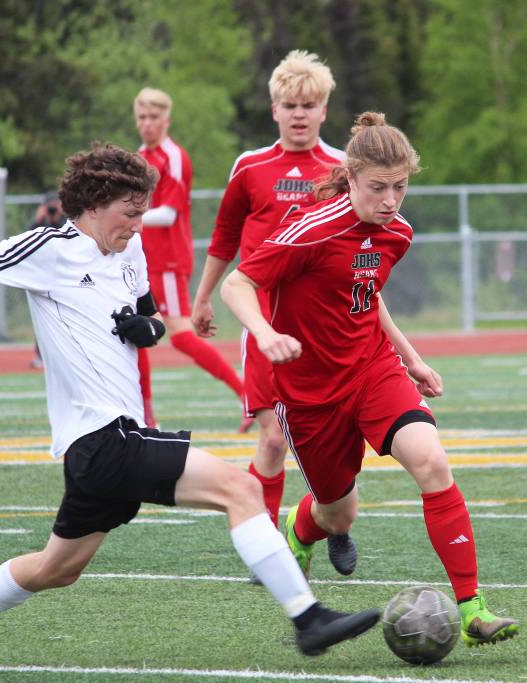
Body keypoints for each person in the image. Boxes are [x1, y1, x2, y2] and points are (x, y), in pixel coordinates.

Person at [0, 143, 378, 663]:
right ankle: (307, 618)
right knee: (244, 488)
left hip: (103, 449)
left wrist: (146, 328)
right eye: (129, 213)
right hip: (105, 437)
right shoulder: (49, 247)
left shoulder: (132, 256)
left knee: (56, 569)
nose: (137, 224)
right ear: (93, 204)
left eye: (142, 212)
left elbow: (150, 316)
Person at [220, 112, 520, 649]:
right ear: (351, 177)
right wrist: (264, 334)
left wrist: (412, 359)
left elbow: (366, 296)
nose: (391, 200)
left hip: (372, 370)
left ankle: (473, 608)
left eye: (400, 187)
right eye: (378, 188)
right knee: (338, 512)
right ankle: (302, 528)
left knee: (431, 461)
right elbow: (238, 284)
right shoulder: (311, 230)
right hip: (309, 394)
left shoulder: (398, 232)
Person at [191, 50, 355, 574]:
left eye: (310, 105)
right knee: (272, 436)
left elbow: (358, 246)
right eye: (291, 104)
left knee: (335, 438)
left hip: (324, 328)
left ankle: (328, 520)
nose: (300, 114)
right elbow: (225, 236)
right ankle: (268, 554)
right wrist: (202, 297)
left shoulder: (342, 169)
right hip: (262, 322)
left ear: (325, 110)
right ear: (274, 109)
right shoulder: (250, 167)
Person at [132, 88, 246, 430]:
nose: (148, 124)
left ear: (167, 119)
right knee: (133, 333)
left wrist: (124, 216)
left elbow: (167, 214)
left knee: (180, 335)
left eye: (154, 117)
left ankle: (245, 395)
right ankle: (145, 417)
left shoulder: (175, 156)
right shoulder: (139, 156)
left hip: (167, 259)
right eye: (142, 117)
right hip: (139, 258)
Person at [25, 190, 66, 368]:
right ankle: (41, 356)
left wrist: (59, 217)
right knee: (42, 319)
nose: (51, 210)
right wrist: (38, 220)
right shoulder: (40, 225)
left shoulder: (67, 223)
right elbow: (24, 241)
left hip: (64, 279)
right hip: (43, 278)